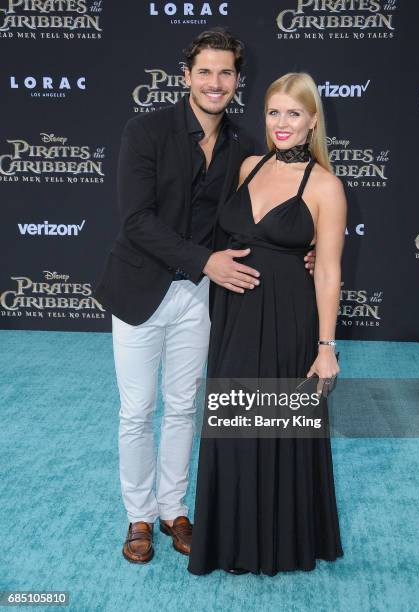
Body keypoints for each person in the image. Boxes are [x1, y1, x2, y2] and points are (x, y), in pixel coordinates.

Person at [94, 30, 316, 564]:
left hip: (199, 296)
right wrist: (205, 260)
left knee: (181, 409)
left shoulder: (244, 145)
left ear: (238, 80)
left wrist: (298, 255)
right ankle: (139, 516)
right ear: (186, 76)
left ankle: (174, 510)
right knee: (137, 410)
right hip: (140, 290)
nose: (215, 83)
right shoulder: (145, 130)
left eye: (225, 73)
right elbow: (136, 220)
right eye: (205, 72)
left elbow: (252, 221)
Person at [188, 72, 346, 576]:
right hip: (233, 313)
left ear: (312, 120)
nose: (281, 123)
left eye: (293, 114)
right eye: (274, 112)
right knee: (234, 427)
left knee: (278, 429)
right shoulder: (249, 166)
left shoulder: (326, 185)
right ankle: (231, 541)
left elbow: (326, 269)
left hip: (288, 318)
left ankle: (279, 544)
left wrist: (326, 347)